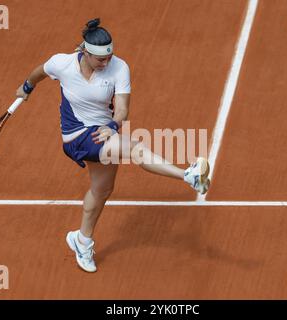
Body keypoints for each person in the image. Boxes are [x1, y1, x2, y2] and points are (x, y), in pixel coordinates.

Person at [16, 18, 210, 273]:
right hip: (76, 135)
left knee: (102, 190)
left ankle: (82, 241)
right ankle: (188, 175)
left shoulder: (119, 68)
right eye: (100, 60)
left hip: (105, 132)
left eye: (109, 57)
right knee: (134, 148)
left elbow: (122, 109)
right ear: (85, 52)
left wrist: (114, 126)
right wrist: (27, 87)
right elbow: (40, 71)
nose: (106, 63)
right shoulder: (61, 63)